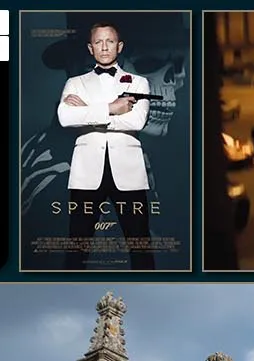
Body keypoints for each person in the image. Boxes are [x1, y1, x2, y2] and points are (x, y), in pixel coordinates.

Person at [57, 22, 155, 270]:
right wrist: (111, 108)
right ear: (90, 49)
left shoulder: (139, 83)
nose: (104, 47)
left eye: (109, 41)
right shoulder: (74, 83)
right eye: (98, 42)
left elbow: (137, 120)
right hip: (86, 175)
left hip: (129, 174)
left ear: (119, 46)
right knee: (76, 249)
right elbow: (65, 118)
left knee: (141, 247)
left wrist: (88, 115)